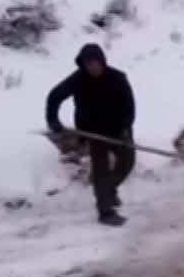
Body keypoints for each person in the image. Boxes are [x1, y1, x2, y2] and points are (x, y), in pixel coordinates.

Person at [45, 43, 136, 226]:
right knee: (100, 169)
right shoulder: (77, 80)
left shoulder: (117, 78)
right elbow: (54, 96)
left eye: (96, 63)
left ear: (103, 62)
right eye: (88, 64)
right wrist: (53, 121)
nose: (92, 67)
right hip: (93, 131)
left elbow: (129, 106)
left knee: (127, 162)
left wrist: (126, 129)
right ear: (83, 65)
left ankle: (108, 191)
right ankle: (105, 211)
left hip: (118, 130)